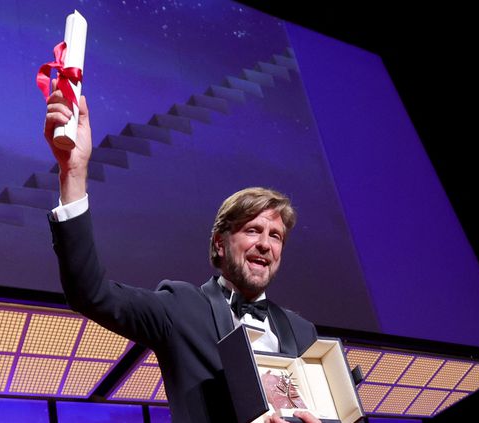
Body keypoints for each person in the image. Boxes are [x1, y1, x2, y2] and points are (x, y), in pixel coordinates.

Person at [43, 85, 321, 423]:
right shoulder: (180, 308)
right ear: (220, 243)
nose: (265, 243)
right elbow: (90, 294)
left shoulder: (303, 333)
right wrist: (73, 174)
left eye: (275, 236)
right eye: (252, 230)